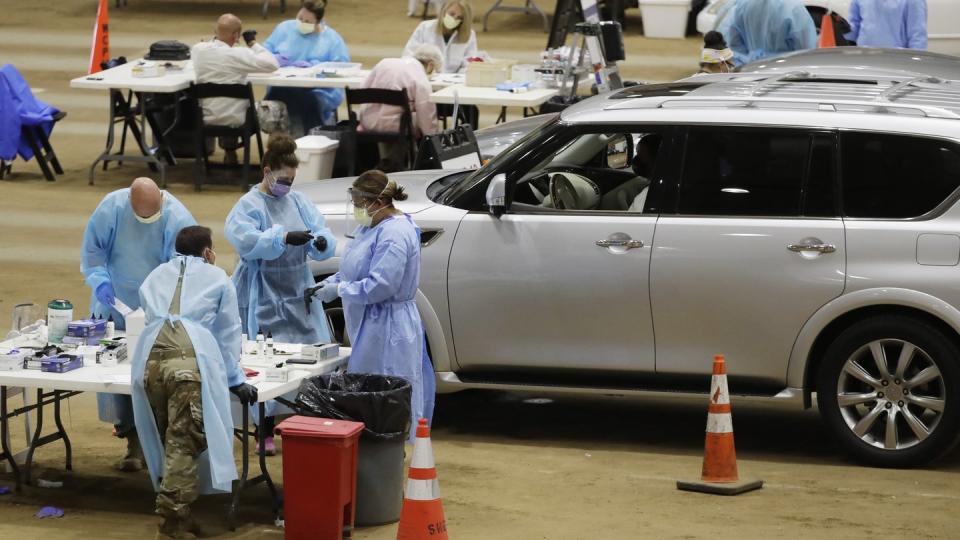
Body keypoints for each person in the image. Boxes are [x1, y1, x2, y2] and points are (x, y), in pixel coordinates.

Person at [130, 225, 258, 539]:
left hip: (149, 363)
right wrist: (234, 377)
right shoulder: (217, 278)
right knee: (182, 444)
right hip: (187, 367)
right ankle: (171, 522)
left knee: (167, 438)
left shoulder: (156, 275)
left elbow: (149, 318)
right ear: (207, 251)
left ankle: (182, 515)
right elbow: (228, 333)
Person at [225, 133, 337, 453]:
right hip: (262, 291)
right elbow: (244, 240)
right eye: (282, 179)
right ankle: (265, 428)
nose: (286, 186)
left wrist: (320, 242)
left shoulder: (298, 201)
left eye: (291, 180)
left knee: (306, 355)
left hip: (296, 287)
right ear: (266, 171)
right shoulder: (249, 205)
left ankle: (304, 421)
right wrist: (282, 237)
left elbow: (320, 229)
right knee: (266, 362)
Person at [81, 177, 196, 472]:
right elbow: (93, 252)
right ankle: (131, 438)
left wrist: (162, 304)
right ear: (130, 203)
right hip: (115, 300)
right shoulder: (111, 208)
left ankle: (158, 440)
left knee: (154, 376)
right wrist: (100, 281)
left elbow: (181, 269)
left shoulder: (178, 218)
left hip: (156, 306)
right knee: (115, 372)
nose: (147, 219)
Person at [311, 170, 435, 440]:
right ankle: (372, 447)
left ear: (377, 203)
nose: (356, 209)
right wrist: (332, 281)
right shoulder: (369, 226)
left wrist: (340, 290)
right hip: (371, 324)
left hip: (390, 326)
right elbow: (354, 266)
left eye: (359, 204)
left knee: (387, 394)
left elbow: (381, 286)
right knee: (367, 393)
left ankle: (389, 451)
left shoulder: (395, 234)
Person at [192, 13, 280, 165]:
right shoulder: (240, 54)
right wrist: (252, 43)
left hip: (206, 117)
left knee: (225, 105)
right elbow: (272, 64)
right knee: (278, 108)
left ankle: (230, 153)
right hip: (240, 119)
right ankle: (277, 162)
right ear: (236, 35)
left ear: (215, 31)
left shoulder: (198, 50)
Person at [263, 0, 350, 136]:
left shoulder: (332, 39)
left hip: (318, 90)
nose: (302, 23)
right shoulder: (284, 29)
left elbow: (342, 70)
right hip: (284, 86)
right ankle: (278, 147)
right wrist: (275, 59)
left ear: (318, 22)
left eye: (308, 21)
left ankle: (312, 143)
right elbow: (264, 53)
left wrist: (317, 67)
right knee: (273, 97)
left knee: (308, 101)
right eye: (300, 18)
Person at [360, 44, 442, 172]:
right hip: (397, 126)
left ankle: (387, 163)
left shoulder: (384, 63)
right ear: (430, 65)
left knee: (406, 118)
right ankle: (399, 165)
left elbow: (363, 89)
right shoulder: (420, 77)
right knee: (416, 122)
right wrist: (435, 140)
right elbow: (427, 117)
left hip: (368, 122)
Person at [717, 0, 817, 66]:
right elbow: (807, 52)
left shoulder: (739, 7)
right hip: (787, 75)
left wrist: (752, 60)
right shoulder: (794, 9)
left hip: (751, 75)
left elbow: (732, 45)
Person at [403, 0, 477, 74]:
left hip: (453, 82)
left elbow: (469, 64)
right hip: (424, 78)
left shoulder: (469, 35)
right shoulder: (425, 28)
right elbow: (408, 55)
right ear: (444, 11)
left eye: (460, 17)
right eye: (452, 14)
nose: (454, 19)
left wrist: (457, 79)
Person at [846, 0, 927, 49]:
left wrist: (914, 65)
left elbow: (917, 35)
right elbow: (853, 28)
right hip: (865, 56)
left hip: (896, 59)